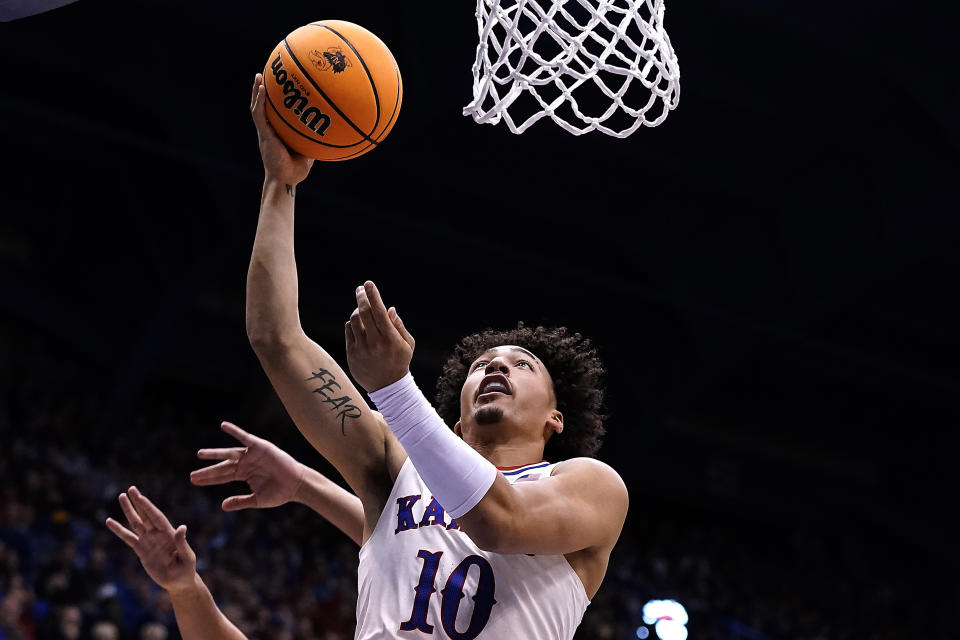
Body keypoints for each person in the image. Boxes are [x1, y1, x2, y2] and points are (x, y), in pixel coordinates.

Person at [108, 71, 628, 639]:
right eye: (481, 365)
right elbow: (276, 339)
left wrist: (394, 391)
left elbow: (501, 525)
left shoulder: (590, 486)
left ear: (557, 416)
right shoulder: (394, 464)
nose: (495, 366)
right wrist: (279, 186)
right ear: (455, 415)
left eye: (521, 365)